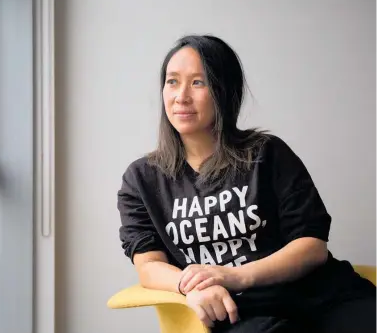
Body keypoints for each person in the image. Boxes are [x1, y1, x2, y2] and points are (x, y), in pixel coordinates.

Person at [116, 35, 376, 333]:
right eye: (172, 81)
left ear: (224, 91)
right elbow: (148, 265)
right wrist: (191, 287)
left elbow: (311, 246)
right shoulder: (142, 180)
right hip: (240, 314)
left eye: (198, 82)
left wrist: (235, 275)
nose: (181, 96)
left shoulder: (267, 153)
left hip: (324, 298)